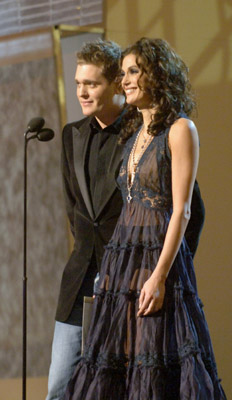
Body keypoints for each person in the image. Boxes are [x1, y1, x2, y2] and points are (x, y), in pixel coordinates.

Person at [63, 37, 226, 400]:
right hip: (122, 264)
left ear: (157, 73)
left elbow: (183, 210)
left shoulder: (180, 130)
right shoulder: (134, 134)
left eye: (133, 71)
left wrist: (160, 275)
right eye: (122, 74)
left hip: (156, 261)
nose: (125, 81)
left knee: (153, 365)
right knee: (117, 368)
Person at [46, 40, 125, 400]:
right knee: (59, 390)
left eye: (91, 84)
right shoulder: (72, 135)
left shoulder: (143, 133)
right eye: (78, 83)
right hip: (79, 282)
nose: (82, 92)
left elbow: (192, 211)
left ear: (116, 84)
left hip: (127, 281)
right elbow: (74, 208)